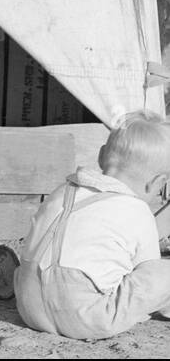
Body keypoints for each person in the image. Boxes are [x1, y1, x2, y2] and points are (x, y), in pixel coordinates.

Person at [14, 110, 170, 339]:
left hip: (29, 308)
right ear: (158, 182)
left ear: (100, 156)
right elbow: (147, 271)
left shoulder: (61, 192)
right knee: (162, 272)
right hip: (87, 318)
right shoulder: (136, 209)